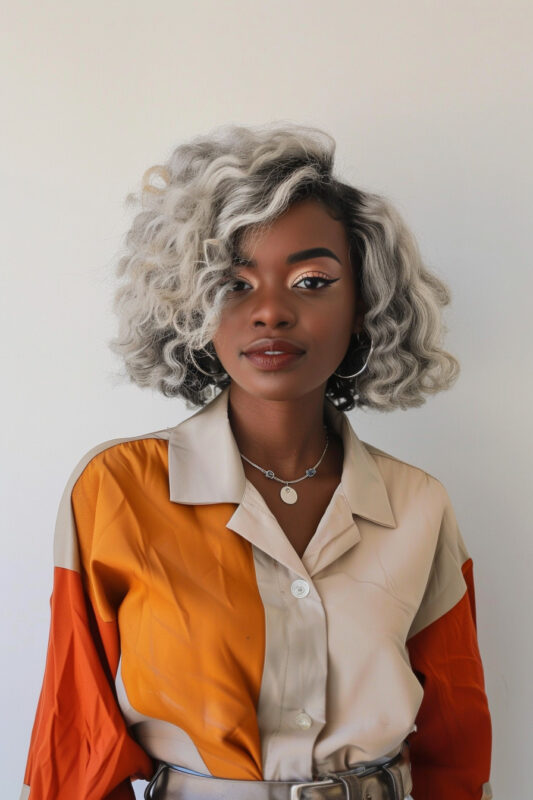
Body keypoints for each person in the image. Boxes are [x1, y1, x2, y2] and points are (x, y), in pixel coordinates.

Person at [20, 121, 493, 800]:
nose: (271, 311)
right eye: (235, 285)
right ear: (193, 304)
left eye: (310, 280)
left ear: (363, 303)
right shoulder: (117, 490)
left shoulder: (417, 503)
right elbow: (77, 746)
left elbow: (454, 751)